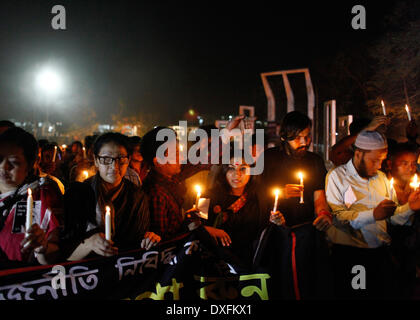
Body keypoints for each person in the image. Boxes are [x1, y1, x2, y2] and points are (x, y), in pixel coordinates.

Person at [325, 131, 420, 299]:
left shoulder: (381, 179)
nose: (378, 165)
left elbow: (392, 217)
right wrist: (373, 215)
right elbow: (339, 218)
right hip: (352, 255)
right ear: (358, 153)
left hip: (381, 254)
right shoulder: (337, 177)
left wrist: (409, 207)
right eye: (374, 160)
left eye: (381, 161)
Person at [255, 111, 333, 300]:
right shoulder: (269, 158)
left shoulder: (314, 161)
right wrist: (281, 193)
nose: (304, 142)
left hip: (306, 231)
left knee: (308, 282)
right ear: (284, 137)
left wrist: (323, 214)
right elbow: (257, 195)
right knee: (279, 283)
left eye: (307, 136)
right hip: (276, 233)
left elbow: (318, 195)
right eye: (297, 138)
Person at [61, 132, 160, 261]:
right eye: (107, 159)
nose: (114, 166)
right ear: (96, 161)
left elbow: (138, 242)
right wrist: (89, 244)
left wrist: (149, 239)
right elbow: (65, 253)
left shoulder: (137, 196)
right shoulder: (77, 194)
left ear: (128, 160)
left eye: (121, 159)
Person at [0, 127, 62, 268]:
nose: (4, 166)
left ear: (29, 165)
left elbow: (55, 253)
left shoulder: (41, 195)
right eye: (0, 158)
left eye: (14, 162)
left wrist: (42, 247)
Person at [141, 127, 214, 241]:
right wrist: (192, 227)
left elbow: (198, 162)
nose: (182, 157)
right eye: (176, 153)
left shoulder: (170, 179)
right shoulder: (156, 194)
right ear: (158, 161)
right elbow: (164, 241)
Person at [204, 154, 270, 267]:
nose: (237, 174)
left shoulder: (259, 199)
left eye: (243, 169)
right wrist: (210, 230)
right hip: (217, 261)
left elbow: (265, 230)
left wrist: (277, 222)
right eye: (231, 168)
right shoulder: (208, 196)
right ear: (224, 171)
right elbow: (192, 225)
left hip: (250, 260)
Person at [385, 142, 420, 298]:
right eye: (404, 163)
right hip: (386, 254)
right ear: (390, 164)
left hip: (411, 255)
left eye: (413, 164)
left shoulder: (416, 188)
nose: (410, 168)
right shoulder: (381, 187)